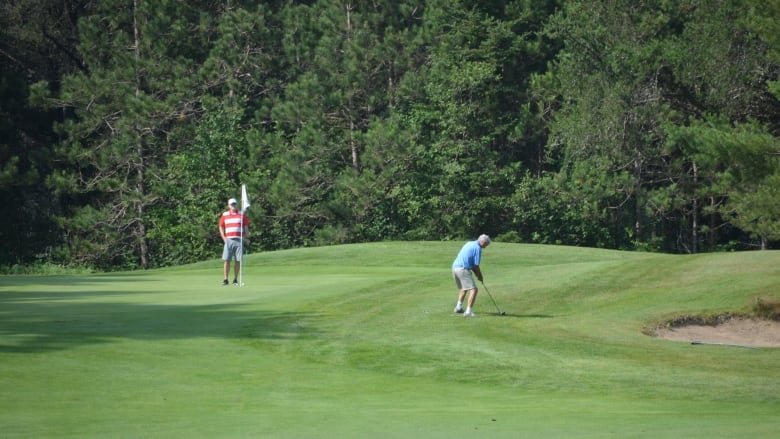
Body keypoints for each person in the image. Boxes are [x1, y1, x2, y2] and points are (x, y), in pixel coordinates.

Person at [452, 234, 491, 317]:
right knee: (474, 289)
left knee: (464, 288)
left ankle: (458, 307)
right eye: (486, 244)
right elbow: (475, 266)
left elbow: (473, 265)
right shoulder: (477, 248)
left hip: (455, 268)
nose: (486, 246)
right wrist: (480, 276)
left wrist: (478, 275)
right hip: (463, 269)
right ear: (482, 242)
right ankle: (468, 311)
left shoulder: (469, 243)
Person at [219, 198, 249, 286]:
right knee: (227, 260)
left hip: (239, 239)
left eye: (234, 204)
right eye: (232, 204)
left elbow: (246, 226)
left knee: (238, 260)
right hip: (229, 239)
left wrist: (247, 238)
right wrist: (224, 237)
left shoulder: (241, 214)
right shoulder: (225, 214)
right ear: (229, 205)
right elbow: (221, 226)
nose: (233, 206)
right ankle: (225, 279)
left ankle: (235, 279)